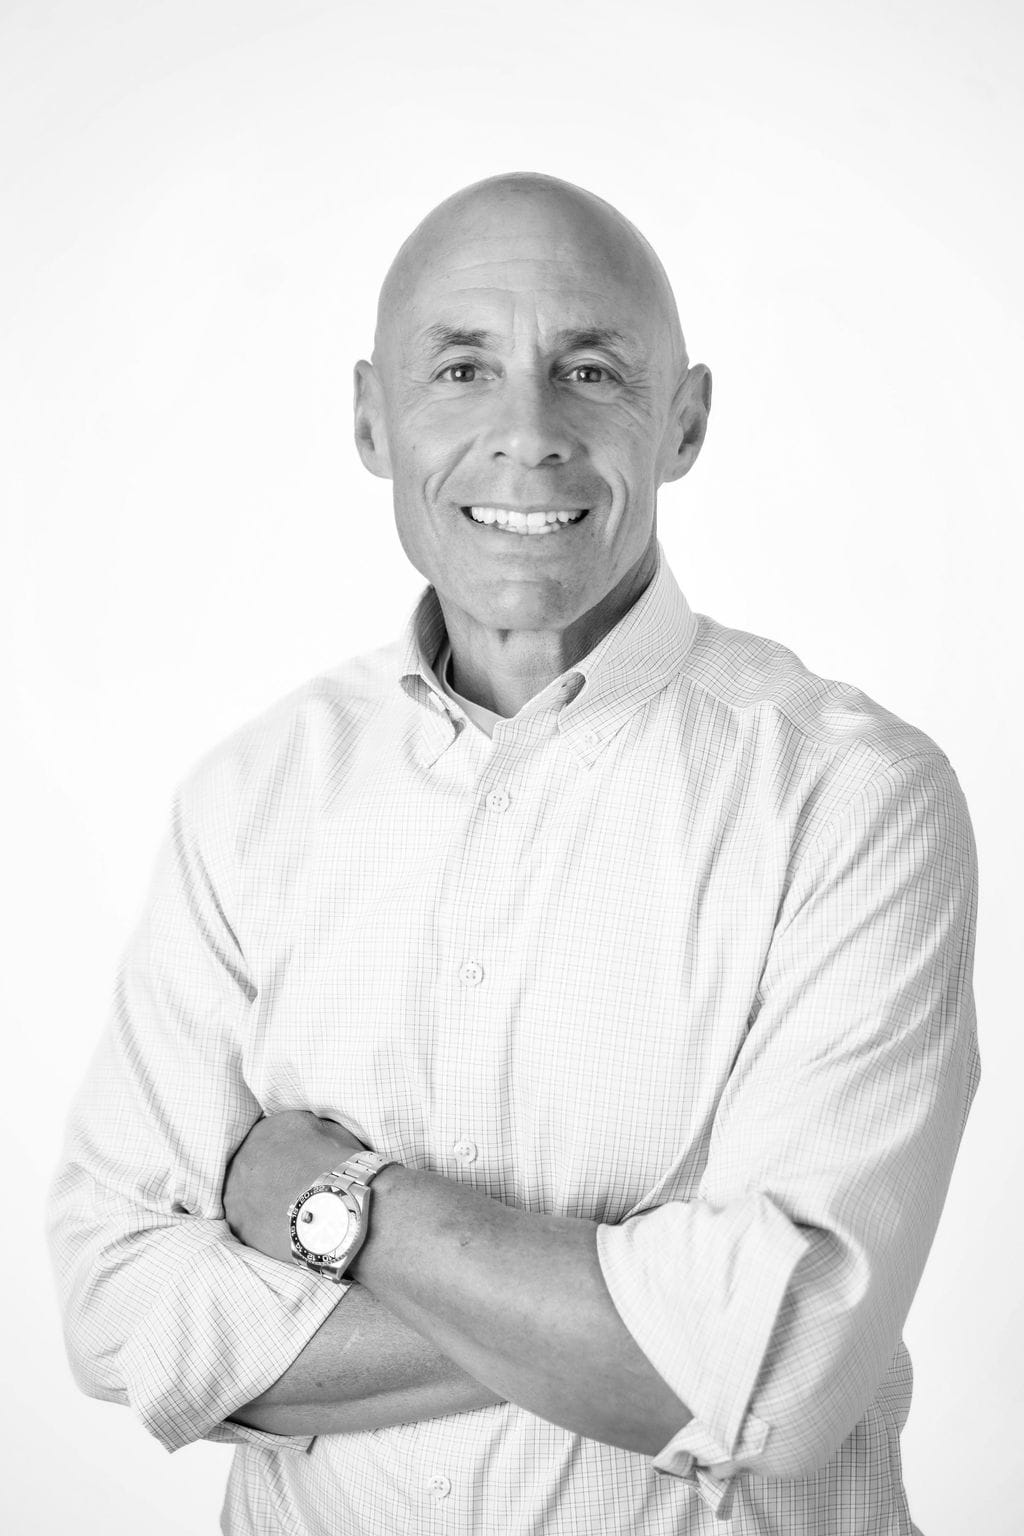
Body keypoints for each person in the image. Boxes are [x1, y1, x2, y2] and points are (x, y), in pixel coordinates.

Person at [49, 172, 979, 1535]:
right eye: (463, 368)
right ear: (373, 416)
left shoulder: (853, 797)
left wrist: (330, 1210)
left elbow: (787, 1373)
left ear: (687, 420)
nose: (526, 433)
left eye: (590, 371)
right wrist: (652, 1304)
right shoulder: (248, 800)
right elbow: (115, 1306)